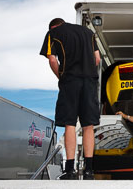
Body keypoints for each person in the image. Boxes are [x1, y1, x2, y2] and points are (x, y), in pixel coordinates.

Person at [40, 18, 100, 180]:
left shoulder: (53, 33)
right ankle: (89, 172)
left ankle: (70, 170)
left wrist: (61, 76)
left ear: (52, 26)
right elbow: (97, 59)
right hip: (89, 81)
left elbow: (52, 59)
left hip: (70, 81)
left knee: (70, 124)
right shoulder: (88, 33)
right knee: (88, 125)